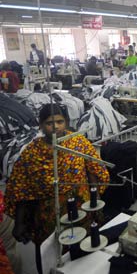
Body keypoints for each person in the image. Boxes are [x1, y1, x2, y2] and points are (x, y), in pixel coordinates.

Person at [5, 104, 110, 274]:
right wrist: (19, 223)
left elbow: (93, 170)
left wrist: (95, 199)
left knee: (86, 251)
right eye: (49, 123)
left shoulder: (78, 142)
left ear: (66, 122)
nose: (55, 127)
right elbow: (21, 189)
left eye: (60, 122)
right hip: (48, 215)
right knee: (56, 257)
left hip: (82, 208)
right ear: (40, 125)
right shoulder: (31, 153)